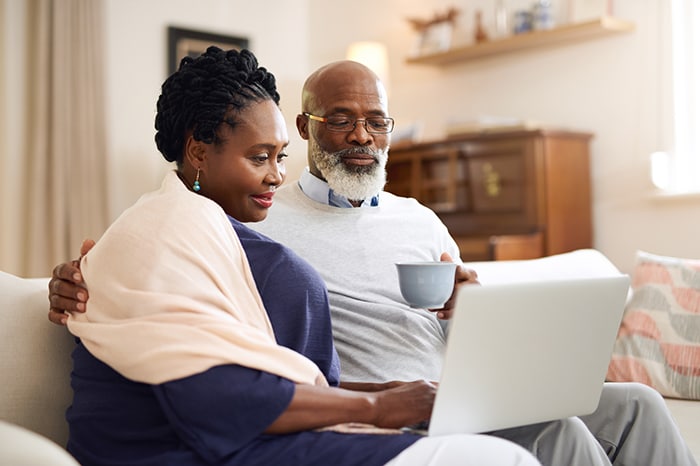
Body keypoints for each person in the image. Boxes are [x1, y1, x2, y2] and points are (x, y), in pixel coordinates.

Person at [48, 59, 697, 466]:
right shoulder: (261, 221)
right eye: (341, 119)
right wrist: (76, 279)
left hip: (455, 386)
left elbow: (457, 324)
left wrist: (467, 307)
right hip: (385, 404)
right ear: (307, 129)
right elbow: (161, 276)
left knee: (637, 402)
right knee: (562, 436)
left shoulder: (419, 219)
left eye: (378, 122)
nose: (362, 135)